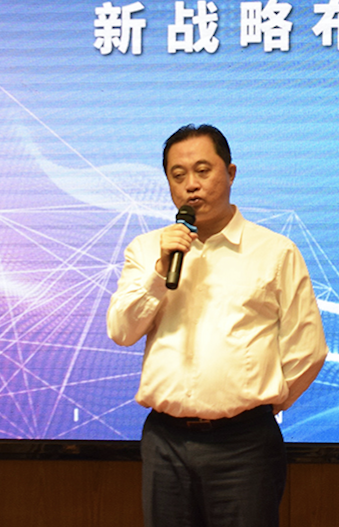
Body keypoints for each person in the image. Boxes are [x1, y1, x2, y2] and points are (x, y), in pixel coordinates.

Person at [107, 124, 327, 527]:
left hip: (245, 445)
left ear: (231, 173)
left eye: (203, 171)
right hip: (165, 442)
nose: (191, 185)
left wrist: (255, 405)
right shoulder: (147, 250)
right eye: (178, 175)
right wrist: (159, 272)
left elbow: (307, 349)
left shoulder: (275, 252)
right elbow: (122, 331)